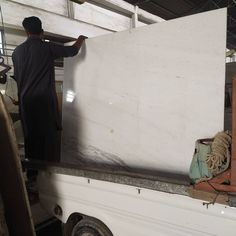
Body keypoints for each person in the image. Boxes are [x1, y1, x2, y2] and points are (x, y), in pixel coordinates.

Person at [12, 16, 87, 161]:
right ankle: (49, 174)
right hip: (44, 103)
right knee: (47, 139)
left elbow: (17, 77)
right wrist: (81, 39)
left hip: (26, 104)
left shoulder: (17, 52)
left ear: (26, 31)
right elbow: (72, 51)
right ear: (42, 31)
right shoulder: (46, 47)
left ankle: (33, 175)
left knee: (30, 138)